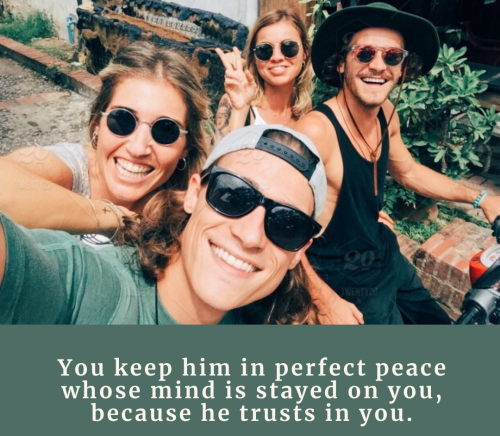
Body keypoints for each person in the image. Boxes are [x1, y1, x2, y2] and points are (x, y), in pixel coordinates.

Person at [295, 2, 500, 324]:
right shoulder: (315, 131)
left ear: (403, 68)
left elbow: (408, 171)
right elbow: (274, 224)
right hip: (345, 278)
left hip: (385, 253)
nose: (378, 66)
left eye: (392, 56)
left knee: (441, 325)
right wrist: (323, 301)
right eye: (364, 53)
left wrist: (481, 198)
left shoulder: (386, 113)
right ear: (341, 63)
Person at [0, 125, 326, 325]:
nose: (250, 235)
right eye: (233, 195)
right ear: (194, 194)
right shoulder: (86, 283)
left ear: (300, 252)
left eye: (288, 224)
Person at [0, 42, 210, 243]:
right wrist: (115, 217)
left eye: (165, 130)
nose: (138, 148)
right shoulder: (73, 170)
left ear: (186, 147)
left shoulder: (183, 203)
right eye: (122, 120)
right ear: (97, 124)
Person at [214, 9, 313, 140]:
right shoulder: (236, 102)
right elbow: (222, 153)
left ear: (305, 53)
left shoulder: (307, 113)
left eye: (288, 47)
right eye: (265, 50)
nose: (277, 57)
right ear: (254, 58)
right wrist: (240, 111)